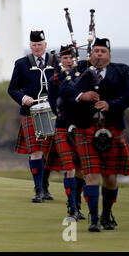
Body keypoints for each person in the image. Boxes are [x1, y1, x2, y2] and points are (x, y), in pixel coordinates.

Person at [60, 38, 129, 232]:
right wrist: (81, 96)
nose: (99, 54)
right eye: (96, 51)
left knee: (110, 178)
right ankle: (93, 218)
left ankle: (106, 214)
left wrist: (111, 105)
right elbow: (65, 91)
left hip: (112, 127)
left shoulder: (121, 70)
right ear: (91, 54)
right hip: (86, 128)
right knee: (91, 174)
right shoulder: (80, 70)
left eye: (103, 51)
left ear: (109, 54)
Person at [8, 30, 56, 203]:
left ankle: (44, 186)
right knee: (36, 151)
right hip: (30, 112)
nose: (37, 48)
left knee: (49, 152)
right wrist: (22, 98)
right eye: (34, 45)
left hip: (53, 112)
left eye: (40, 45)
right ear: (30, 46)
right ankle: (38, 191)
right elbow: (12, 89)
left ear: (45, 44)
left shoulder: (56, 61)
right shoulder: (21, 64)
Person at [46, 45, 85, 220]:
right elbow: (54, 103)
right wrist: (64, 113)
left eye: (71, 58)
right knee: (69, 168)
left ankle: (78, 205)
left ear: (75, 59)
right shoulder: (55, 78)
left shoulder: (84, 74)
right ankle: (72, 208)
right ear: (60, 60)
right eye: (65, 58)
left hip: (83, 126)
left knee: (81, 169)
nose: (68, 61)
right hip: (63, 126)